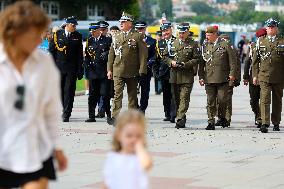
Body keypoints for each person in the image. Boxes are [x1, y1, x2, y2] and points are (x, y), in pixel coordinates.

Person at [0, 1, 68, 189]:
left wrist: (57, 147)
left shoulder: (44, 62)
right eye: (35, 34)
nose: (41, 40)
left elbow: (52, 109)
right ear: (15, 33)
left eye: (42, 33)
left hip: (35, 147)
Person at [107, 12, 147, 125]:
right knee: (117, 94)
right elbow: (111, 54)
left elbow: (143, 54)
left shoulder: (137, 35)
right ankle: (114, 117)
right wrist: (109, 70)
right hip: (118, 69)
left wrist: (142, 70)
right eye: (120, 22)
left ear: (130, 23)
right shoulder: (116, 36)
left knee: (132, 96)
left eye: (123, 22)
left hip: (132, 71)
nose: (121, 23)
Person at [198, 26, 237, 130]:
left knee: (222, 100)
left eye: (209, 35)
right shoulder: (204, 46)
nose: (207, 37)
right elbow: (201, 63)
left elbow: (232, 61)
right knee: (210, 101)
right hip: (209, 78)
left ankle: (222, 116)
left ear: (215, 35)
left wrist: (232, 74)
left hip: (223, 78)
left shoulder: (225, 44)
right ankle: (211, 121)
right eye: (206, 35)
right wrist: (201, 77)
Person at [102, 110, 152, 189]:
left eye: (138, 136)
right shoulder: (112, 157)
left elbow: (147, 164)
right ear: (119, 135)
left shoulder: (140, 157)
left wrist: (140, 148)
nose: (134, 139)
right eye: (129, 136)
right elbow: (108, 181)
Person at [163, 23, 200, 129]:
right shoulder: (172, 43)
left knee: (184, 98)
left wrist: (186, 64)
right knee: (176, 99)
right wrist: (171, 62)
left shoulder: (193, 44)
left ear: (188, 32)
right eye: (180, 32)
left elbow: (197, 59)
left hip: (187, 76)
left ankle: (179, 118)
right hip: (174, 76)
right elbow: (165, 57)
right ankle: (182, 118)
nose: (181, 34)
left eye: (183, 32)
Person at [252, 18, 284, 133]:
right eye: (269, 27)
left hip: (279, 76)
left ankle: (276, 123)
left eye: (273, 27)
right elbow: (255, 61)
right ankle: (265, 123)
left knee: (277, 100)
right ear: (266, 28)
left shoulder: (282, 41)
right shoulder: (260, 41)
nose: (270, 29)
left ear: (277, 29)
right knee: (264, 99)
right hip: (264, 76)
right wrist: (255, 75)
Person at [49, 16, 84, 122]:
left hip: (71, 68)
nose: (75, 27)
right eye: (73, 25)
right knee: (60, 90)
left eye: (75, 25)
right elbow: (52, 52)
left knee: (69, 90)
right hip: (58, 67)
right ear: (67, 25)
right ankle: (64, 107)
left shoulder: (78, 36)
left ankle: (66, 113)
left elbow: (79, 55)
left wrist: (80, 69)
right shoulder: (57, 35)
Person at [84, 23, 112, 123]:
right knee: (92, 96)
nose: (92, 33)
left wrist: (107, 52)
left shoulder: (107, 40)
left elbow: (113, 52)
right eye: (91, 31)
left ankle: (109, 115)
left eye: (94, 31)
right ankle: (91, 116)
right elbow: (87, 55)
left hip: (104, 72)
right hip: (93, 72)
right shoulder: (89, 40)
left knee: (105, 95)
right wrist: (86, 65)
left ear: (99, 31)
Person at [214, 34, 241, 127]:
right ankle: (220, 117)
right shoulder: (218, 49)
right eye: (223, 40)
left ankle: (227, 118)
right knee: (219, 99)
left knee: (227, 99)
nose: (225, 42)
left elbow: (237, 66)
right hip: (219, 78)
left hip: (229, 78)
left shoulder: (233, 50)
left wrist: (236, 79)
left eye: (226, 40)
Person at [243, 28, 267, 128]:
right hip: (253, 76)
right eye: (261, 37)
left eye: (264, 36)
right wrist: (245, 77)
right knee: (253, 99)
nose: (262, 38)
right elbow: (247, 62)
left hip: (265, 76)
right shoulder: (252, 46)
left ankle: (262, 118)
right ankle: (257, 115)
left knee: (264, 99)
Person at [153, 21, 176, 123]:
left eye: (167, 30)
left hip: (175, 72)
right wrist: (156, 73)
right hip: (164, 73)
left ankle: (173, 114)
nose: (165, 33)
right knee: (166, 94)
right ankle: (167, 113)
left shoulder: (177, 41)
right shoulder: (159, 43)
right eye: (163, 31)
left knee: (174, 94)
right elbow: (156, 60)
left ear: (171, 30)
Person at [135, 21, 156, 114]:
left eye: (141, 29)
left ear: (145, 29)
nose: (140, 31)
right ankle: (135, 107)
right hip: (133, 69)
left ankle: (142, 108)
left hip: (146, 69)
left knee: (145, 91)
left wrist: (149, 63)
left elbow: (154, 55)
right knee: (132, 91)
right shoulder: (130, 40)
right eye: (138, 29)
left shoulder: (151, 41)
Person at [153, 30, 162, 95]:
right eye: (158, 36)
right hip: (154, 62)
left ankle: (160, 88)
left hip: (162, 62)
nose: (159, 37)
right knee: (155, 76)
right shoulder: (153, 43)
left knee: (161, 75)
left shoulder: (163, 43)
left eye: (160, 36)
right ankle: (157, 90)